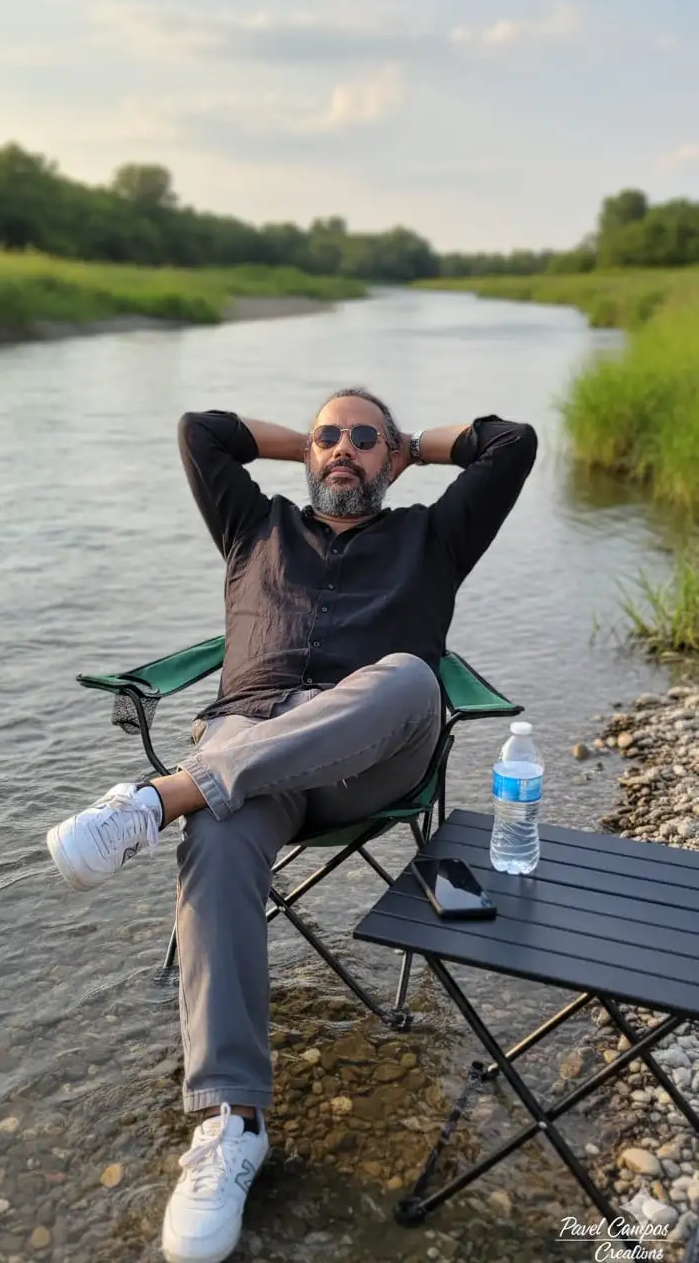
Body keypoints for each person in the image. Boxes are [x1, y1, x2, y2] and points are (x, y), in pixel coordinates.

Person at [46, 388, 537, 1263]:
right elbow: (203, 431)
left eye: (362, 440)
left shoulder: (434, 536)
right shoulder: (253, 526)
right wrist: (314, 449)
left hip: (372, 755)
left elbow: (512, 442)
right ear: (303, 455)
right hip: (251, 752)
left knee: (411, 678)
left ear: (391, 459)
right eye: (327, 437)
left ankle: (153, 800)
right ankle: (232, 1122)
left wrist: (413, 445)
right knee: (220, 835)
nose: (343, 450)